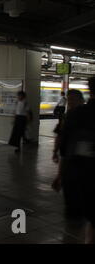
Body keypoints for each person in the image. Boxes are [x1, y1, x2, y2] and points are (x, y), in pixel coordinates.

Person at [59, 76, 95, 244]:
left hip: (79, 171)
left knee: (83, 216)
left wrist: (61, 174)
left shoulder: (78, 113)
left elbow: (65, 148)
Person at [51, 89, 85, 218]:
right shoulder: (66, 116)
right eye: (69, 100)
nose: (70, 103)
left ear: (82, 100)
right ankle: (72, 211)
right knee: (69, 184)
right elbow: (59, 136)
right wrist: (55, 151)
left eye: (73, 100)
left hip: (82, 159)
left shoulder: (87, 116)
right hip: (68, 155)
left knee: (79, 185)